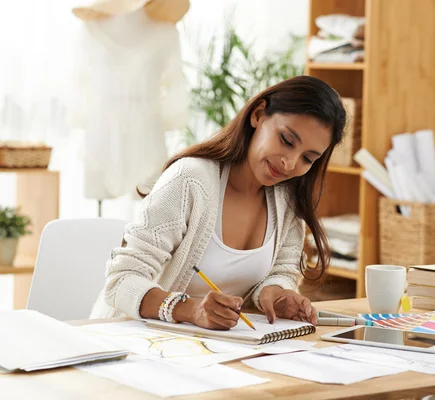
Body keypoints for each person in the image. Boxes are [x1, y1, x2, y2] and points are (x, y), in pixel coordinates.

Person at [90, 76, 347, 330]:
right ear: (258, 114)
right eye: (287, 141)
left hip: (211, 352)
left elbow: (282, 270)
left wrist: (277, 294)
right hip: (129, 343)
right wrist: (191, 309)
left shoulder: (287, 201)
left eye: (308, 159)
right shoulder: (190, 180)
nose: (290, 163)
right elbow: (122, 281)